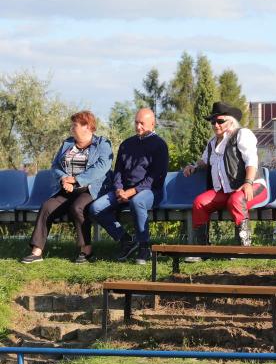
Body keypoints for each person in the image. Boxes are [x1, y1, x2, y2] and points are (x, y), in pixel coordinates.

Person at [20, 111, 113, 264]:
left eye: (74, 125)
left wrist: (76, 180)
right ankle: (37, 252)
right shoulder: (67, 144)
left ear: (87, 127)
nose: (71, 128)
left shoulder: (102, 144)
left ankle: (86, 250)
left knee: (77, 207)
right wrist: (63, 178)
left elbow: (102, 167)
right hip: (67, 188)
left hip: (90, 188)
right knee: (47, 207)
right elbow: (55, 165)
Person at [182, 101, 268, 249]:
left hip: (253, 186)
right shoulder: (212, 143)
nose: (216, 125)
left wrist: (248, 182)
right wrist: (194, 167)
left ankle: (244, 247)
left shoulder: (242, 134)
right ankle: (201, 249)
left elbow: (251, 159)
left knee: (236, 200)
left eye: (220, 121)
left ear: (231, 121)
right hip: (225, 191)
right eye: (213, 122)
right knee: (200, 202)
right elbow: (205, 161)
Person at [88, 108, 168, 264]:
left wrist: (132, 191)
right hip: (123, 192)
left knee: (137, 201)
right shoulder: (126, 144)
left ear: (152, 124)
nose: (138, 127)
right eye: (136, 123)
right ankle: (126, 240)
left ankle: (144, 247)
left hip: (151, 191)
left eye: (142, 123)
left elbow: (156, 177)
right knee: (96, 208)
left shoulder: (160, 145)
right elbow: (118, 170)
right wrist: (118, 189)